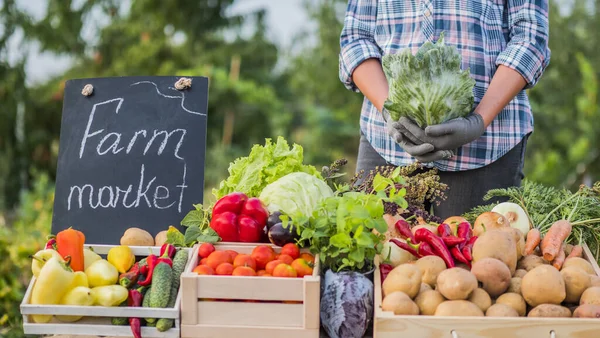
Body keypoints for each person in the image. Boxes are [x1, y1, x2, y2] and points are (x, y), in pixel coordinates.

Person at [339, 0, 551, 218]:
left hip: (486, 145)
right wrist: (389, 110)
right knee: (375, 247)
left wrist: (479, 120)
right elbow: (356, 39)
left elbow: (530, 38)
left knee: (481, 250)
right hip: (387, 143)